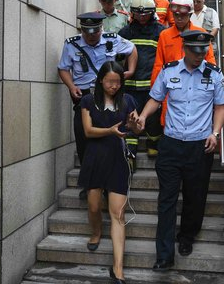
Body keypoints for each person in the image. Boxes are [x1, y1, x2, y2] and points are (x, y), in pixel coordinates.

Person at [136, 30, 224, 271]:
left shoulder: (214, 75)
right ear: (185, 49)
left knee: (194, 196)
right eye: (195, 51)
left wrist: (215, 133)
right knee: (166, 200)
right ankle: (164, 255)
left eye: (204, 50)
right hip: (171, 145)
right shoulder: (169, 71)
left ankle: (187, 236)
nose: (200, 55)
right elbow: (156, 98)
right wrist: (144, 116)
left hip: (200, 147)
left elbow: (221, 107)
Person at [57, 12, 137, 199]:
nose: (91, 35)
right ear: (82, 30)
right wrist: (71, 86)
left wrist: (130, 71)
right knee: (84, 140)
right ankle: (90, 183)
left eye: (95, 31)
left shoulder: (112, 39)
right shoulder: (71, 44)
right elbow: (62, 68)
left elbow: (132, 48)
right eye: (87, 32)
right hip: (85, 96)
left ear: (101, 28)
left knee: (111, 140)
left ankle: (110, 182)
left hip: (109, 96)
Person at [77, 61, 140, 284]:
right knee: (94, 206)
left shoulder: (128, 100)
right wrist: (111, 130)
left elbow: (138, 128)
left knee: (118, 215)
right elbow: (88, 131)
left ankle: (118, 269)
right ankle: (95, 232)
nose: (114, 86)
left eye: (118, 82)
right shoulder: (88, 100)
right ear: (101, 80)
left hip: (118, 159)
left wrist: (134, 125)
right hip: (95, 157)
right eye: (110, 81)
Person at [151, 0, 217, 155]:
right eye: (176, 14)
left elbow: (211, 63)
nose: (179, 18)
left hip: (197, 93)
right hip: (172, 94)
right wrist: (156, 95)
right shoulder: (165, 36)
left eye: (183, 15)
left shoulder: (201, 33)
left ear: (190, 14)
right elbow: (158, 66)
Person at [118, 0, 166, 163]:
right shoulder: (125, 32)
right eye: (138, 13)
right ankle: (130, 152)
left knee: (153, 118)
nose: (142, 16)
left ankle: (153, 143)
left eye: (145, 13)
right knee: (130, 117)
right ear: (132, 13)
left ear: (152, 12)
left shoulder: (160, 32)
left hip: (152, 86)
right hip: (130, 86)